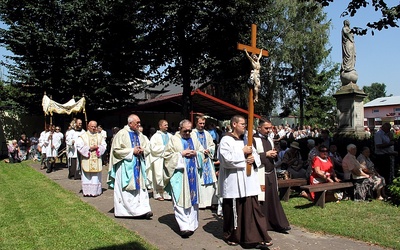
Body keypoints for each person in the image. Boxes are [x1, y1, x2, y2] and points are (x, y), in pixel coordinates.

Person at [218, 115, 272, 248]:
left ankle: (254, 236)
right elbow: (226, 160)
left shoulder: (246, 140)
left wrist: (253, 159)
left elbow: (256, 157)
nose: (244, 126)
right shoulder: (226, 140)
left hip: (248, 182)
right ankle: (233, 236)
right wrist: (242, 153)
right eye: (242, 124)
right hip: (233, 182)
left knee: (252, 209)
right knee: (233, 210)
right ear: (234, 124)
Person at [163, 119, 205, 238]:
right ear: (179, 129)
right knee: (179, 200)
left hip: (192, 175)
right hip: (179, 175)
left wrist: (196, 154)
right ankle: (183, 226)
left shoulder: (194, 138)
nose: (187, 133)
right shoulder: (174, 140)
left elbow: (201, 151)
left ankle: (191, 224)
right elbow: (167, 156)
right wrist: (181, 154)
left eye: (189, 131)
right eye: (185, 131)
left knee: (192, 200)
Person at [108, 114, 153, 219]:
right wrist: (132, 151)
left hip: (138, 164)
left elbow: (148, 146)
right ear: (130, 123)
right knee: (127, 190)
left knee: (140, 188)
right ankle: (126, 212)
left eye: (139, 122)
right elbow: (116, 151)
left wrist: (142, 150)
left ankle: (143, 210)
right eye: (137, 123)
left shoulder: (140, 135)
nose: (139, 124)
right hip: (125, 166)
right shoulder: (122, 134)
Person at [253, 118, 290, 233]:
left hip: (270, 171)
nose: (269, 130)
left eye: (270, 128)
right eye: (266, 128)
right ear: (259, 128)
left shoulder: (269, 138)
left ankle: (276, 222)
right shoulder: (253, 139)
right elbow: (252, 157)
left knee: (272, 198)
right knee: (261, 199)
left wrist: (274, 154)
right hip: (260, 173)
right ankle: (262, 224)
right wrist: (266, 154)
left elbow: (272, 151)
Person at [191, 116, 218, 209]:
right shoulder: (192, 134)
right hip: (198, 161)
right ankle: (201, 203)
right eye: (200, 123)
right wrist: (201, 152)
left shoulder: (207, 134)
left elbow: (212, 145)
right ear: (196, 123)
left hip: (208, 161)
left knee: (210, 183)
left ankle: (210, 202)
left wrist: (209, 150)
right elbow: (192, 147)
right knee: (200, 181)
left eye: (203, 123)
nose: (202, 125)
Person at [75, 120, 107, 197]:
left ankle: (95, 191)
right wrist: (89, 148)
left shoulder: (100, 136)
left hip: (96, 158)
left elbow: (104, 145)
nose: (93, 128)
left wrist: (98, 147)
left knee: (96, 177)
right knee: (87, 176)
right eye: (92, 126)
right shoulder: (83, 136)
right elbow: (79, 146)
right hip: (87, 159)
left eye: (95, 127)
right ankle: (87, 192)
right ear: (88, 127)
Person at [148, 119, 172, 201]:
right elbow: (152, 148)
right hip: (159, 159)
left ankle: (167, 194)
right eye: (165, 125)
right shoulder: (155, 136)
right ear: (160, 126)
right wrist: (164, 148)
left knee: (167, 176)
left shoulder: (170, 136)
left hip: (168, 159)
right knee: (158, 176)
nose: (167, 126)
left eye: (167, 125)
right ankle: (157, 193)